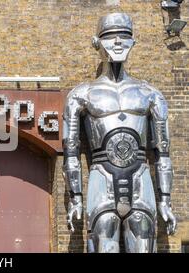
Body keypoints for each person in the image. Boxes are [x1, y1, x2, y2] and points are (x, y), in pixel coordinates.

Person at [63, 13, 177, 253]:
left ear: (132, 42)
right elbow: (71, 151)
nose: (117, 43)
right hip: (101, 175)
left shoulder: (150, 94)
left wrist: (165, 199)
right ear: (97, 42)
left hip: (140, 175)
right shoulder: (82, 95)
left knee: (145, 239)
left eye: (123, 36)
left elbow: (163, 153)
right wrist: (76, 198)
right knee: (102, 237)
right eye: (109, 37)